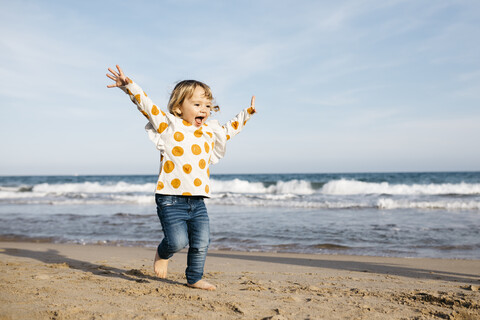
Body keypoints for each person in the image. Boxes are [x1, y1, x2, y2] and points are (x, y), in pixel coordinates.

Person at [106, 65, 256, 290]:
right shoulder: (169, 126)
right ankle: (162, 252)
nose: (204, 109)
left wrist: (247, 113)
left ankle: (194, 278)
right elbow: (147, 107)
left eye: (207, 105)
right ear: (178, 107)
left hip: (197, 200)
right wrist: (129, 86)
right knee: (177, 241)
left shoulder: (209, 132)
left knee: (202, 242)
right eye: (197, 104)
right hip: (169, 198)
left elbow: (229, 130)